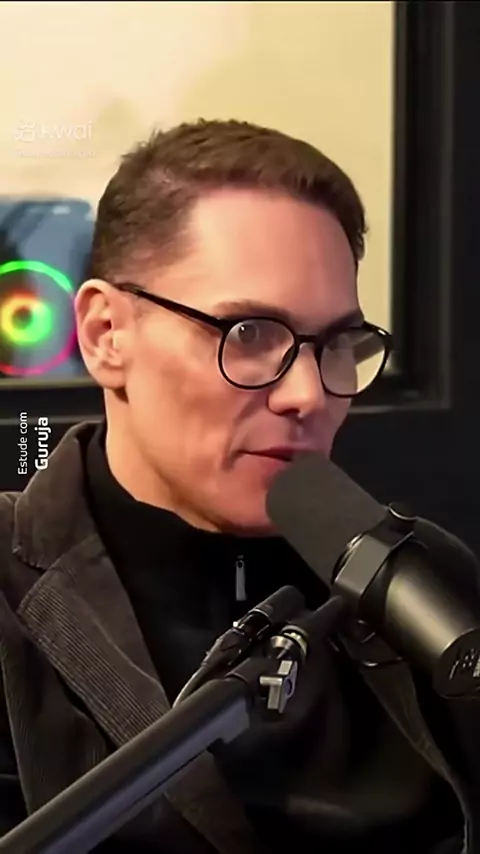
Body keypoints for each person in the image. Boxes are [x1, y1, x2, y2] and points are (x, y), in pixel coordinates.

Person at [0, 119, 479, 854]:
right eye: (250, 333)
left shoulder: (421, 582)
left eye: (337, 345)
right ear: (104, 334)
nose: (308, 394)